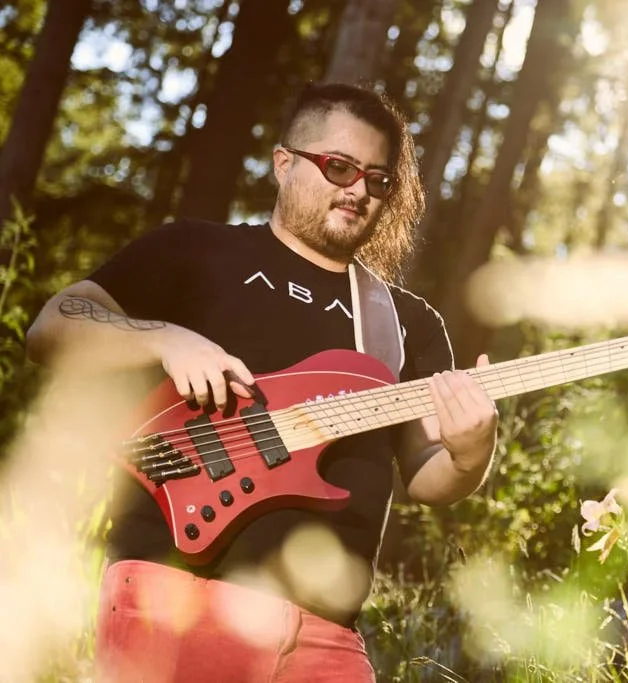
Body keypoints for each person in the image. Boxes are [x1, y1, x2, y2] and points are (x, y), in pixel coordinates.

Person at [25, 82, 498, 682]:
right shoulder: (196, 250)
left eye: (377, 179)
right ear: (284, 164)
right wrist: (165, 338)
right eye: (338, 167)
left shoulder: (406, 323)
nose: (358, 190)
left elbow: (430, 477)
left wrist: (472, 448)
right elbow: (53, 326)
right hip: (182, 593)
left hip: (329, 633)